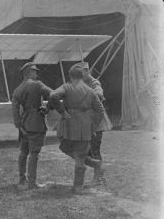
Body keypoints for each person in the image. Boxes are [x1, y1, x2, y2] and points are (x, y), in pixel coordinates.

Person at [48, 63, 106, 194]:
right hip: (85, 127)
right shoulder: (90, 91)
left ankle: (78, 186)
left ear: (70, 76)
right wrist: (93, 126)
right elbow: (100, 110)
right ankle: (96, 164)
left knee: (67, 149)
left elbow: (52, 96)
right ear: (82, 75)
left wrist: (62, 111)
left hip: (69, 125)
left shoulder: (67, 87)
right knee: (77, 152)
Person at [11, 62, 52, 190]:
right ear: (29, 72)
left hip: (24, 124)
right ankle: (32, 182)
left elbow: (14, 109)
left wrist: (19, 125)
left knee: (23, 152)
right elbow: (54, 94)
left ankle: (22, 180)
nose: (36, 74)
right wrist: (48, 108)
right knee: (34, 153)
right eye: (35, 71)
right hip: (36, 123)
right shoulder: (38, 85)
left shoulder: (18, 89)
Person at [79, 61, 112, 185]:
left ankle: (97, 178)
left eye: (82, 72)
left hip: (97, 123)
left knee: (95, 149)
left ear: (87, 71)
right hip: (88, 122)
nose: (81, 76)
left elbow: (99, 92)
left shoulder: (94, 82)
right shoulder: (83, 83)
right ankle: (98, 174)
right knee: (87, 151)